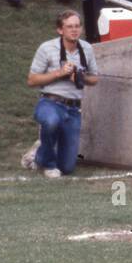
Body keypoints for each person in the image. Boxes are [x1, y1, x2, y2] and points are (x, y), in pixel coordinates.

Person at [26, 9, 99, 178]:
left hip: (74, 108)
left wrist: (80, 77)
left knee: (67, 167)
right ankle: (48, 164)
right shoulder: (47, 48)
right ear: (60, 30)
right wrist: (59, 73)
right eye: (69, 27)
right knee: (51, 121)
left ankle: (37, 154)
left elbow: (95, 79)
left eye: (77, 26)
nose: (74, 30)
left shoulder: (86, 48)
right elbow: (31, 80)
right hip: (50, 102)